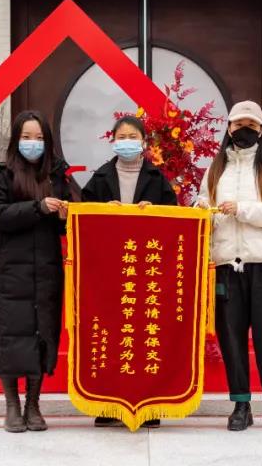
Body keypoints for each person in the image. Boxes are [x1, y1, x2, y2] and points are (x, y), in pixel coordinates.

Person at [198, 101, 262, 432]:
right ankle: (240, 404)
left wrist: (241, 209)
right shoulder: (215, 171)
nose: (244, 130)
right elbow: (204, 210)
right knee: (231, 337)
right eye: (238, 125)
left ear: (261, 131)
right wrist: (202, 212)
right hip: (227, 265)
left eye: (251, 125)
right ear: (228, 128)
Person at [0, 110, 77, 433]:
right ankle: (11, 406)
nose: (32, 143)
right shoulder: (1, 175)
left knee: (42, 335)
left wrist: (64, 214)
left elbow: (65, 226)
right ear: (16, 140)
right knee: (9, 336)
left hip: (45, 271)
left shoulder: (56, 176)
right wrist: (38, 207)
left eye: (39, 138)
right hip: (9, 273)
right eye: (26, 137)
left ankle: (33, 404)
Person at [81, 114, 177, 429]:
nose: (127, 142)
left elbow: (175, 220)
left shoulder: (157, 178)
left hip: (146, 271)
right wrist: (103, 212)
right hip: (110, 270)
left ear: (144, 142)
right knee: (112, 334)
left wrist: (156, 213)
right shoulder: (100, 178)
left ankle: (148, 405)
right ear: (113, 141)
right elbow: (84, 218)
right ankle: (109, 404)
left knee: (146, 335)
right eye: (121, 136)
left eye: (133, 137)